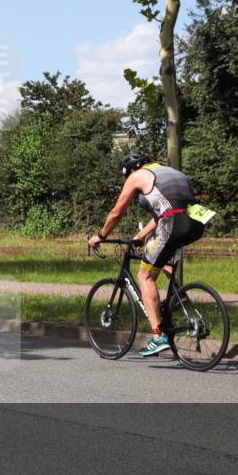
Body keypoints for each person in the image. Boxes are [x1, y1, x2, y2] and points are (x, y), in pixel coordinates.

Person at [87, 150, 205, 357]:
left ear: (131, 169)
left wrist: (101, 235)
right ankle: (180, 300)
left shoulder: (136, 176)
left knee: (145, 276)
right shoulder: (171, 171)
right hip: (196, 222)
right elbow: (165, 211)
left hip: (173, 223)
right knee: (161, 260)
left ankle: (158, 336)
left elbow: (117, 212)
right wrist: (141, 235)